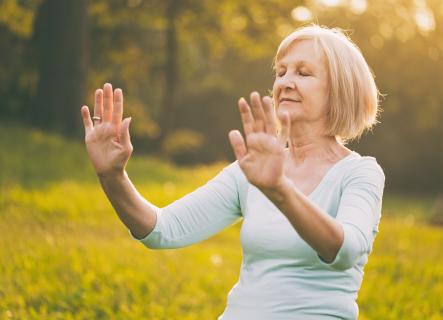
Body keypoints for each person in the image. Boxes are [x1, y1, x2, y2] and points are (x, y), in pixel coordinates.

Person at [80, 24, 385, 320]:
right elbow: (163, 229)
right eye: (281, 72)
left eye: (303, 73)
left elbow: (345, 251)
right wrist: (113, 177)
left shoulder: (359, 173)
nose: (285, 82)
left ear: (341, 90)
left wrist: (279, 190)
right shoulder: (252, 170)